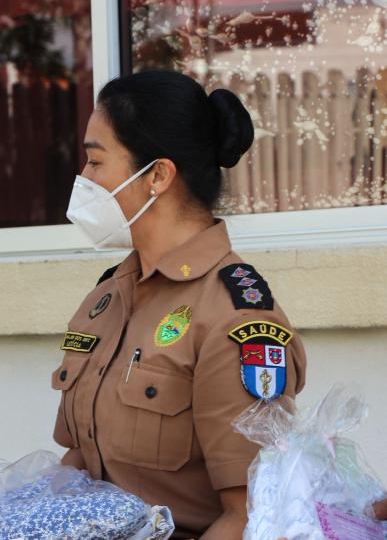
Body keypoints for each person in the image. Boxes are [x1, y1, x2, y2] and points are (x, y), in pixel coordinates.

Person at [53, 71, 306, 539]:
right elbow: (78, 465)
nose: (83, 179)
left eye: (94, 161)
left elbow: (250, 516)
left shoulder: (235, 316)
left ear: (158, 176)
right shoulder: (108, 297)